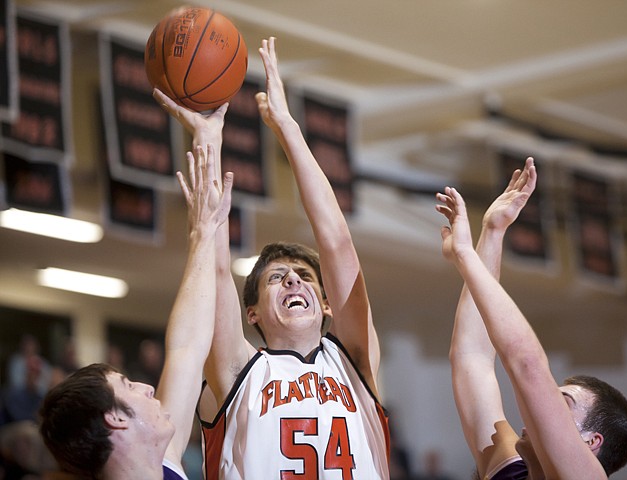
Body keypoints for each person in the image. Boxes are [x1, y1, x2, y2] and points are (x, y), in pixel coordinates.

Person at [154, 36, 390, 479]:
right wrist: (208, 137)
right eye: (276, 278)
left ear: (325, 304)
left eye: (303, 276)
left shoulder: (354, 360)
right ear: (253, 313)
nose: (293, 282)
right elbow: (216, 268)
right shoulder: (237, 368)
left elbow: (337, 242)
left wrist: (287, 126)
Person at [38, 141, 234, 479]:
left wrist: (202, 235)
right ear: (114, 418)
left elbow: (187, 347)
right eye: (127, 385)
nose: (146, 387)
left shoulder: (165, 466)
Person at [436, 158, 627, 480]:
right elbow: (471, 357)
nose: (538, 406)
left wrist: (465, 256)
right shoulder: (510, 470)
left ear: (591, 442)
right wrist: (491, 233)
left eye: (562, 403)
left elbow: (528, 365)